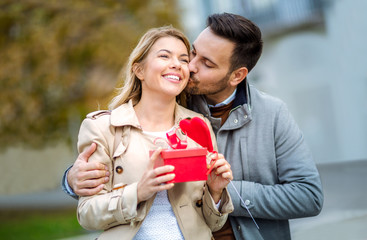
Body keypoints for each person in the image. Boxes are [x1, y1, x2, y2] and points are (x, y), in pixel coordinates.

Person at [63, 13, 324, 240]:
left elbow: (309, 196)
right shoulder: (170, 95)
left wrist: (223, 190)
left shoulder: (272, 113)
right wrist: (71, 179)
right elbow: (115, 163)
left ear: (236, 76)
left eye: (207, 63)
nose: (190, 67)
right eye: (194, 53)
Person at [73, 26, 234, 240]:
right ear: (139, 70)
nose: (177, 64)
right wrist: (138, 192)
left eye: (184, 59)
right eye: (164, 56)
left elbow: (214, 223)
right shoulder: (103, 128)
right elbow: (87, 215)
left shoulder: (198, 125)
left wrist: (215, 193)